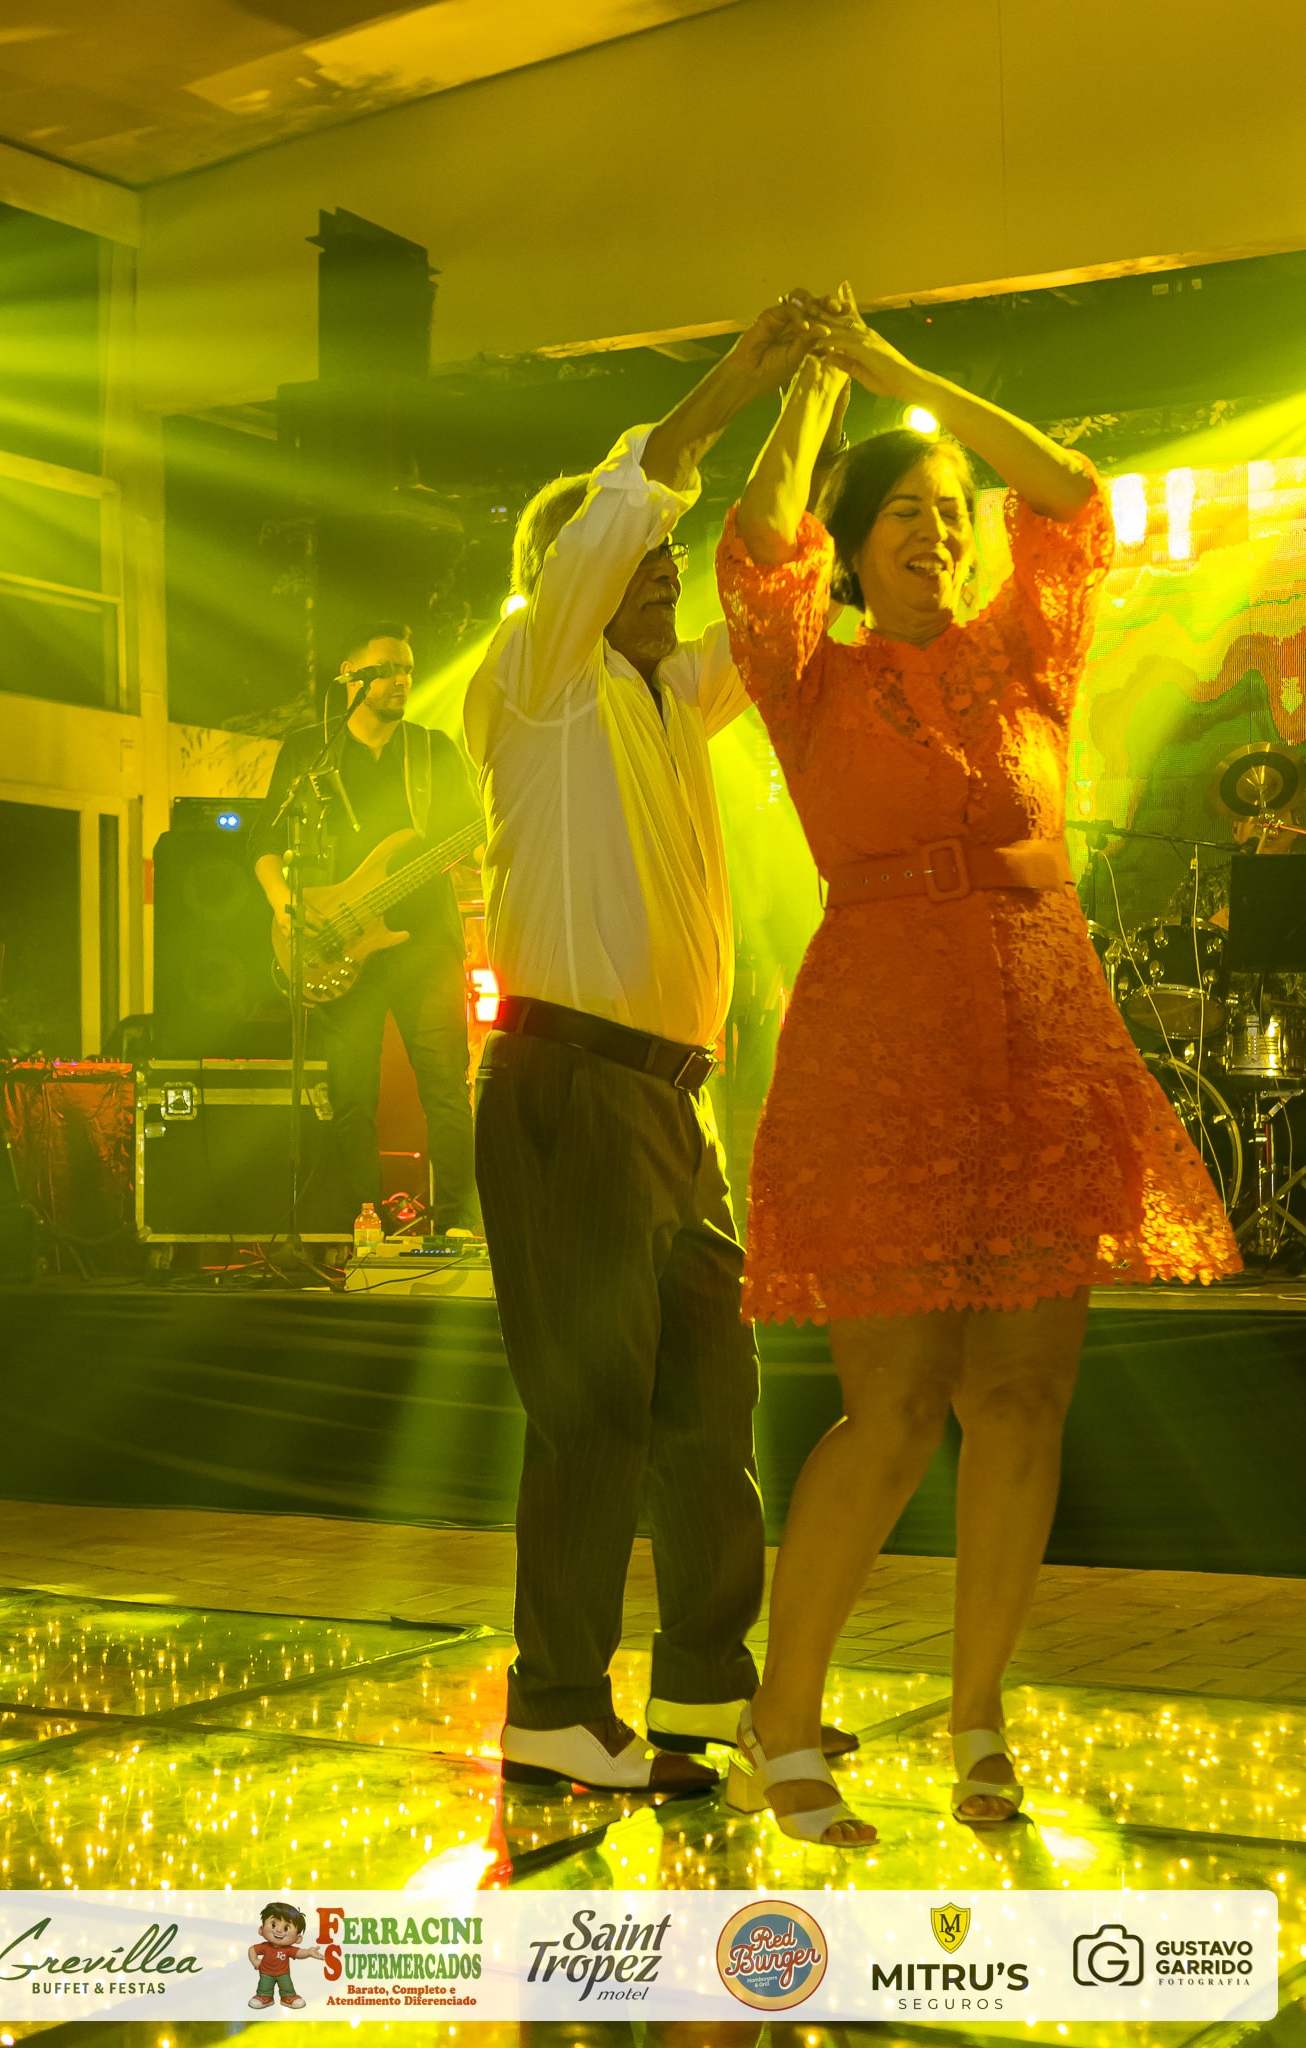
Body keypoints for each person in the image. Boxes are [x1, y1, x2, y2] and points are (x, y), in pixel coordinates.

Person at [713, 285, 1242, 1846]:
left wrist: (903, 369)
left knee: (1021, 1396)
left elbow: (1070, 498)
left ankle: (975, 1719)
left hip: (1039, 1041)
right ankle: (780, 1715)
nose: (939, 533)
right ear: (852, 542)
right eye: (907, 514)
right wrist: (818, 386)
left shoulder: (1027, 655)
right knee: (891, 1410)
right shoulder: (809, 678)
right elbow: (756, 542)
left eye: (952, 515)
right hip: (880, 1048)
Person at [465, 299, 858, 1795]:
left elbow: (772, 596)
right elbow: (641, 492)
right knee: (593, 1411)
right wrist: (732, 379)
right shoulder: (535, 673)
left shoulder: (663, 697)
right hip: (568, 1084)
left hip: (672, 1105)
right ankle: (556, 1703)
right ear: (567, 577)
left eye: (661, 562)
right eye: (635, 556)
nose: (662, 565)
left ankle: (703, 1678)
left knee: (710, 1404)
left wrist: (808, 403)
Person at [251, 626, 482, 1236]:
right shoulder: (310, 751)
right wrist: (283, 902)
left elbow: (474, 837)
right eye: (387, 669)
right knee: (350, 1096)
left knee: (446, 1091)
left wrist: (500, 840)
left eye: (407, 669)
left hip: (426, 945)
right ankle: (365, 1226)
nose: (401, 680)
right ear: (350, 676)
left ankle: (453, 1228)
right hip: (338, 940)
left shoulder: (432, 750)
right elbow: (264, 841)